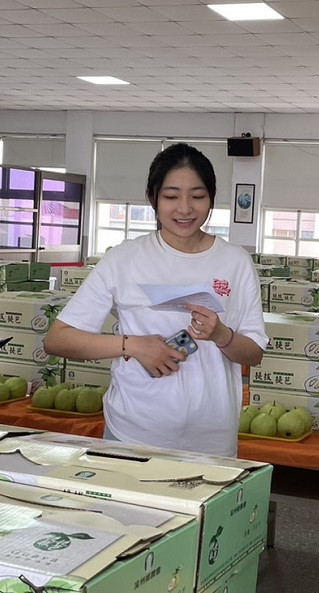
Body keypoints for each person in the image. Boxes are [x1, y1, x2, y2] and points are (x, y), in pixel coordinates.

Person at [43, 143, 267, 456]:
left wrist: (221, 335)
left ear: (212, 198)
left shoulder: (235, 262)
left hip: (212, 441)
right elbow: (57, 339)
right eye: (171, 196)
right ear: (152, 198)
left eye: (198, 196)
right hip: (132, 433)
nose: (185, 209)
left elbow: (253, 354)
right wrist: (132, 345)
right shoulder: (124, 259)